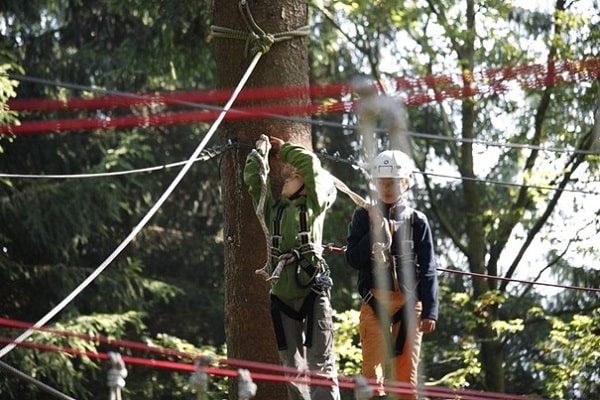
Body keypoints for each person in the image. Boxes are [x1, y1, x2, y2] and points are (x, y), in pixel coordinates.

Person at [244, 135, 340, 400]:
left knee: (320, 364)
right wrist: (259, 153)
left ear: (307, 187)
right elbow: (254, 182)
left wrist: (283, 149)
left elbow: (310, 163)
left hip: (313, 291)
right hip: (283, 296)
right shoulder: (274, 212)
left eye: (294, 176)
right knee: (291, 368)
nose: (287, 177)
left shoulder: (313, 207)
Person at [345, 150, 439, 400]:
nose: (387, 187)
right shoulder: (363, 216)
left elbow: (429, 267)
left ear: (406, 183)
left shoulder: (417, 221)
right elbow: (353, 258)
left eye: (394, 182)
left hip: (409, 304)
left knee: (405, 375)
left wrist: (430, 310)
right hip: (374, 300)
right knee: (371, 373)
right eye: (383, 182)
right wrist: (374, 232)